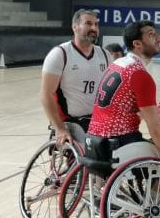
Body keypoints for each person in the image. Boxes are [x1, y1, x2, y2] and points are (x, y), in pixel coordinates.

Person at [85, 21, 160, 179]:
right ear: (137, 44)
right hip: (118, 143)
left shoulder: (117, 64)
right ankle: (156, 203)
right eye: (151, 34)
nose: (159, 38)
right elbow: (154, 127)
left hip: (95, 140)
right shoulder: (139, 74)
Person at [40, 9, 110, 148]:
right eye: (88, 23)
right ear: (74, 26)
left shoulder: (105, 54)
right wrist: (59, 128)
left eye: (96, 25)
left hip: (97, 119)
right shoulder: (60, 54)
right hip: (72, 122)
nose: (94, 28)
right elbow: (45, 95)